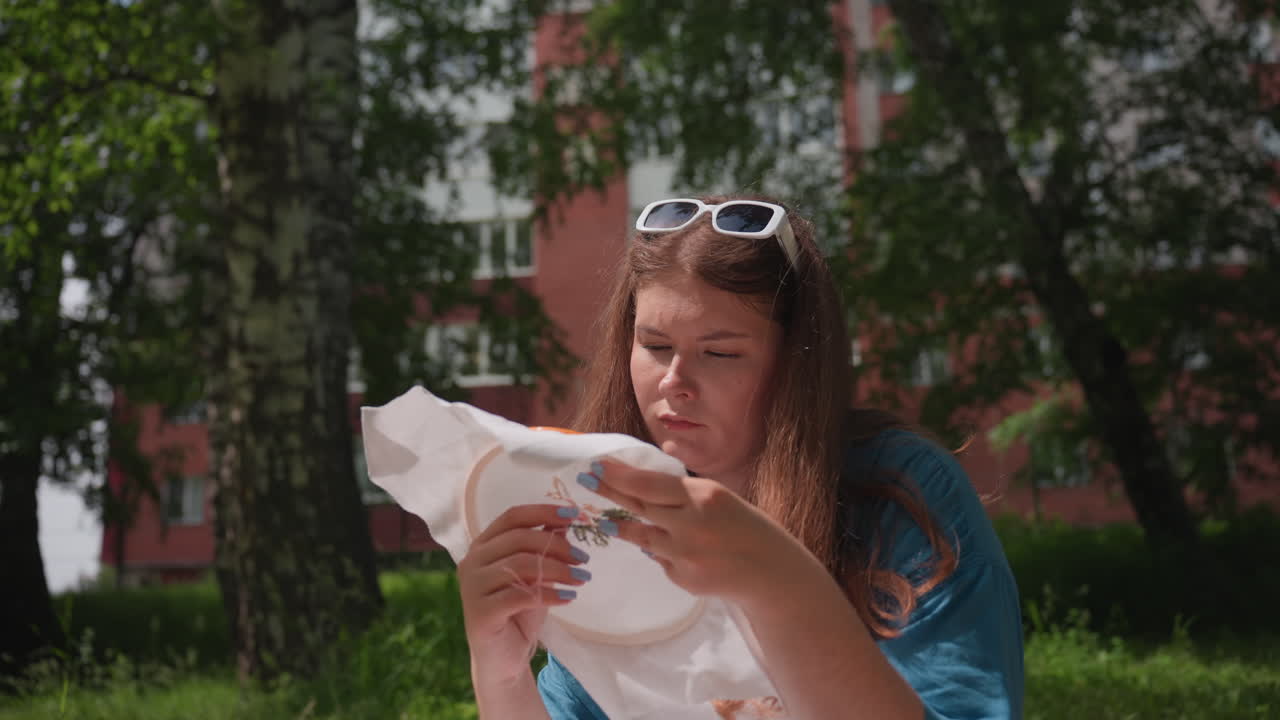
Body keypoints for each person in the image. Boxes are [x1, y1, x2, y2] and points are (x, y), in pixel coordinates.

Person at [456, 194, 1024, 719]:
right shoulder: (612, 507)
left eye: (720, 352)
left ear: (796, 362)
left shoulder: (900, 490)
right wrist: (500, 670)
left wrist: (779, 581)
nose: (674, 382)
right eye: (654, 346)